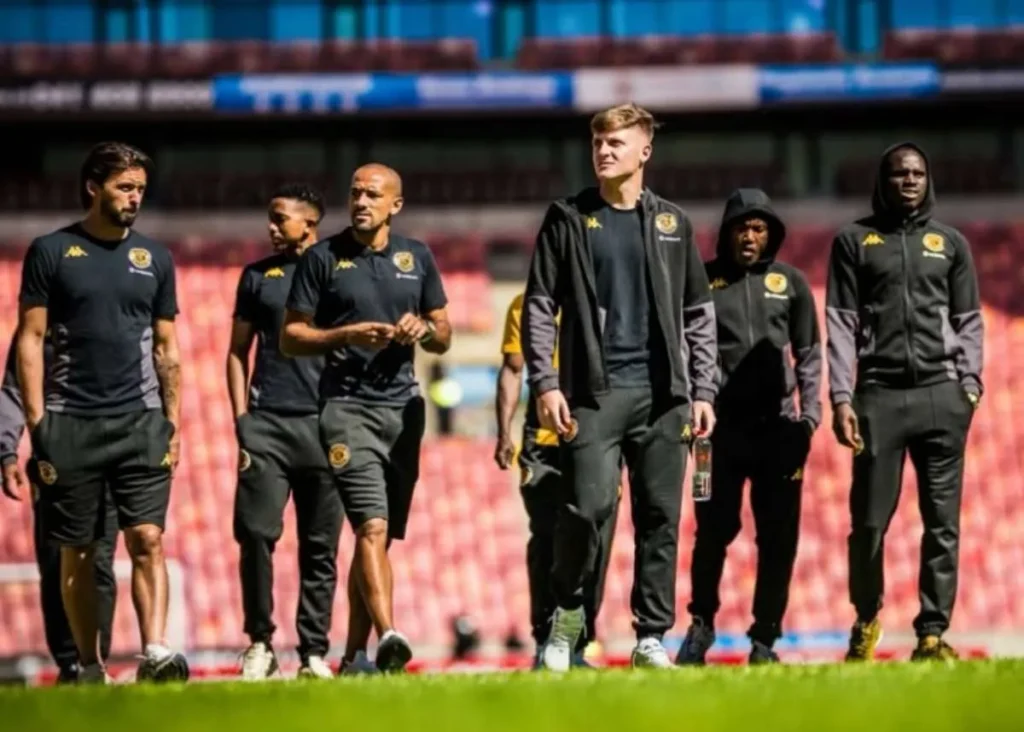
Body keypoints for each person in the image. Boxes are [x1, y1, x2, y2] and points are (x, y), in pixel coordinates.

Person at [521, 103, 718, 671]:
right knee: (586, 509)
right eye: (598, 143)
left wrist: (703, 390)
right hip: (593, 394)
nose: (604, 152)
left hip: (664, 398)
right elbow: (539, 306)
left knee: (660, 518)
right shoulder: (566, 218)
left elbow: (698, 313)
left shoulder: (673, 223)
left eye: (616, 143)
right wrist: (546, 383)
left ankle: (650, 636)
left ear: (644, 151)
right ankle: (567, 615)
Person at [15, 141, 189, 683]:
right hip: (71, 422)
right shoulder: (51, 251)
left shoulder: (156, 258)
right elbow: (30, 339)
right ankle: (89, 666)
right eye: (124, 187)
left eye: (140, 189)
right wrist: (39, 423)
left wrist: (172, 422)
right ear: (94, 187)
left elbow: (167, 347)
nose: (135, 197)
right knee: (80, 551)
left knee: (148, 539)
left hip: (141, 422)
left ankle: (156, 651)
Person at [281, 163, 451, 673]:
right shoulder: (322, 259)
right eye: (355, 192)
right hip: (346, 409)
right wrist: (346, 334)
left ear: (395, 205)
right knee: (370, 526)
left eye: (373, 195)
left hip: (404, 411)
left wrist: (422, 329)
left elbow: (443, 334)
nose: (361, 202)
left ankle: (355, 657)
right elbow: (291, 337)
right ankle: (389, 635)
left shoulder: (417, 257)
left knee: (377, 537)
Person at [826, 142, 983, 662]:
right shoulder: (853, 241)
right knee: (869, 524)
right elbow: (841, 324)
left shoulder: (950, 243)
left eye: (918, 173)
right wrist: (842, 396)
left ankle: (932, 634)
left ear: (927, 179)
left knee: (942, 524)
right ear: (883, 181)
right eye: (899, 174)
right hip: (879, 397)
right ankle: (866, 617)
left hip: (942, 396)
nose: (910, 180)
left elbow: (968, 320)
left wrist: (970, 386)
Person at [675, 189, 822, 666]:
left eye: (759, 228)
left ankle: (764, 641)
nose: (749, 236)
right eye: (741, 227)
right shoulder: (701, 280)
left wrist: (810, 418)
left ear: (771, 234)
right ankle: (700, 625)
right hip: (712, 435)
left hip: (779, 432)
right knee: (710, 531)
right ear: (727, 232)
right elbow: (683, 348)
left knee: (778, 537)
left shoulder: (791, 283)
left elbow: (809, 353)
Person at [228, 184, 345, 680]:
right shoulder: (257, 277)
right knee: (255, 533)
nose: (272, 227)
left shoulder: (341, 274)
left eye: (281, 219)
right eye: (270, 218)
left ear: (309, 224)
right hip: (267, 427)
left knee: (320, 547)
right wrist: (243, 421)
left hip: (326, 427)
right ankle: (259, 642)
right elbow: (237, 353)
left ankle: (313, 652)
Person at [494, 292, 620, 669]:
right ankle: (543, 639)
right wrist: (504, 432)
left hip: (599, 436)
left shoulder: (607, 301)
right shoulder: (524, 305)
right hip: (543, 441)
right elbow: (513, 369)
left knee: (595, 537)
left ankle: (579, 641)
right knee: (547, 537)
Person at [0, 333, 119, 683]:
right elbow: (13, 389)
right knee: (56, 562)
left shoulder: (111, 313)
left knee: (99, 561)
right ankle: (70, 663)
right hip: (54, 462)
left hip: (109, 453)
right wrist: (6, 452)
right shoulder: (37, 323)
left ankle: (95, 663)